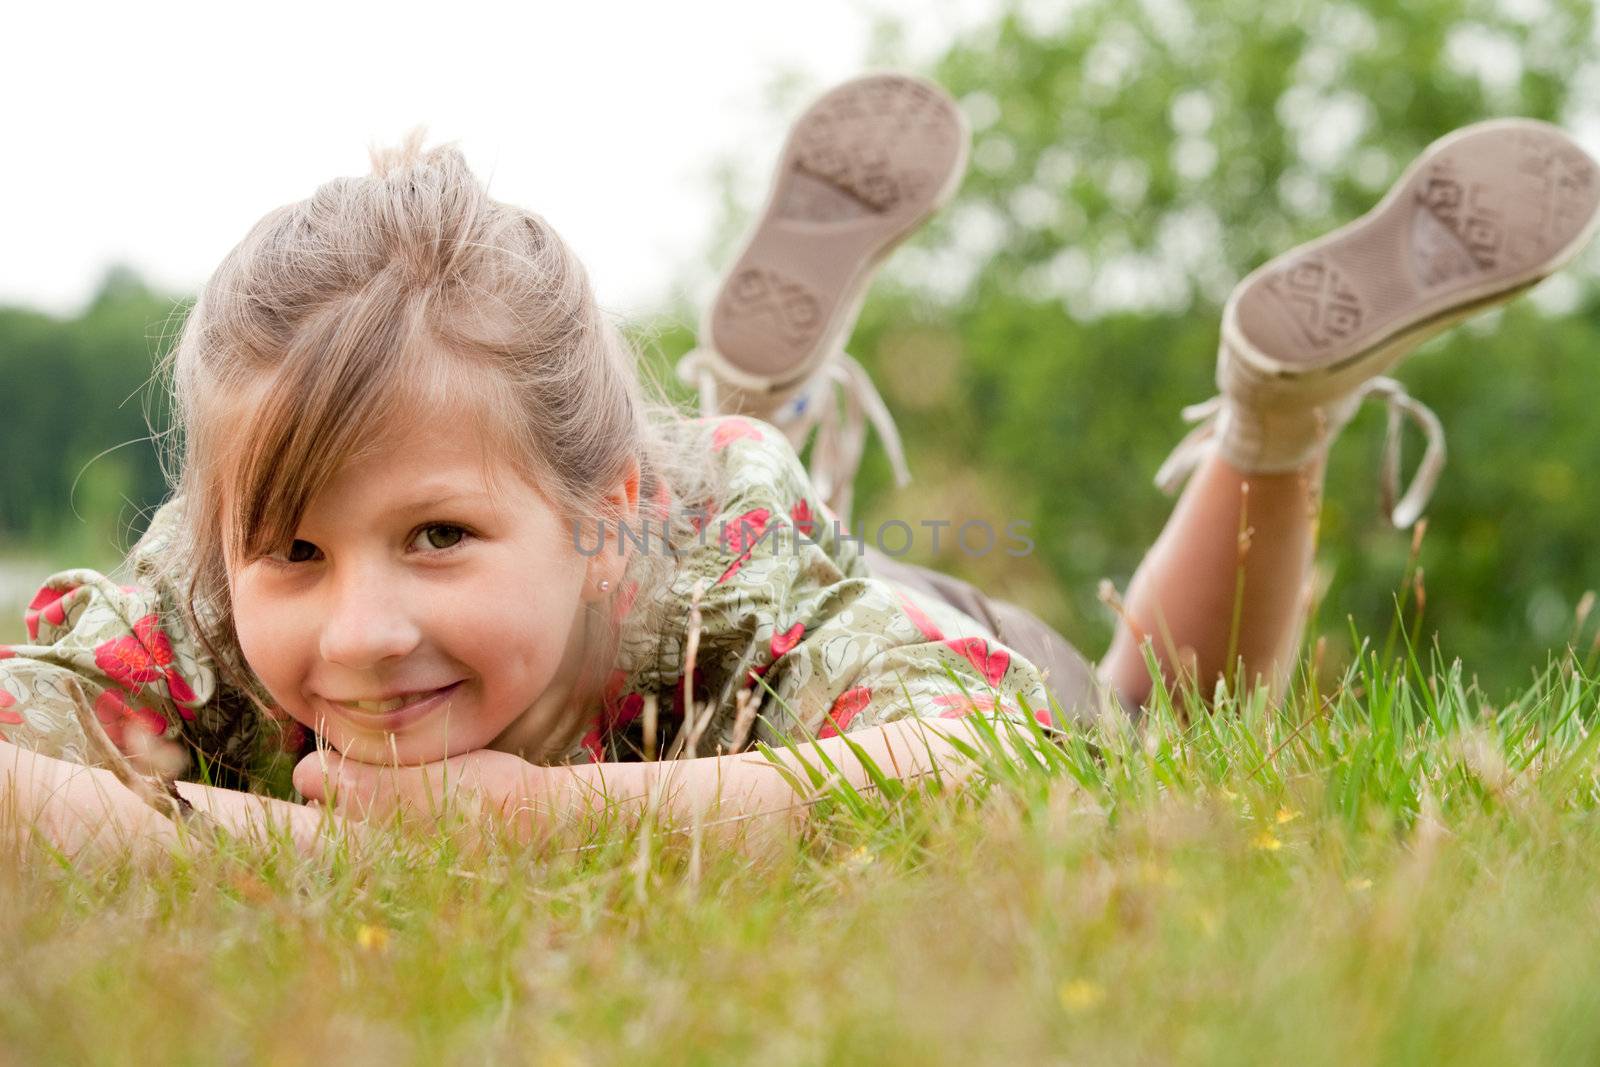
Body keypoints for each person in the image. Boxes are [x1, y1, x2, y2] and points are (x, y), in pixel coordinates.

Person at [2, 73, 1597, 856]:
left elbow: (982, 763)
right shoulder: (209, 588)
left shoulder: (716, 566)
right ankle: (758, 378)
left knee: (1153, 728)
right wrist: (278, 847)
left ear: (609, 520)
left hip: (850, 622)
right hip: (672, 521)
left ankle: (1273, 416)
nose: (355, 631)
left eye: (434, 538)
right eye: (294, 553)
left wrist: (535, 825)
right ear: (222, 529)